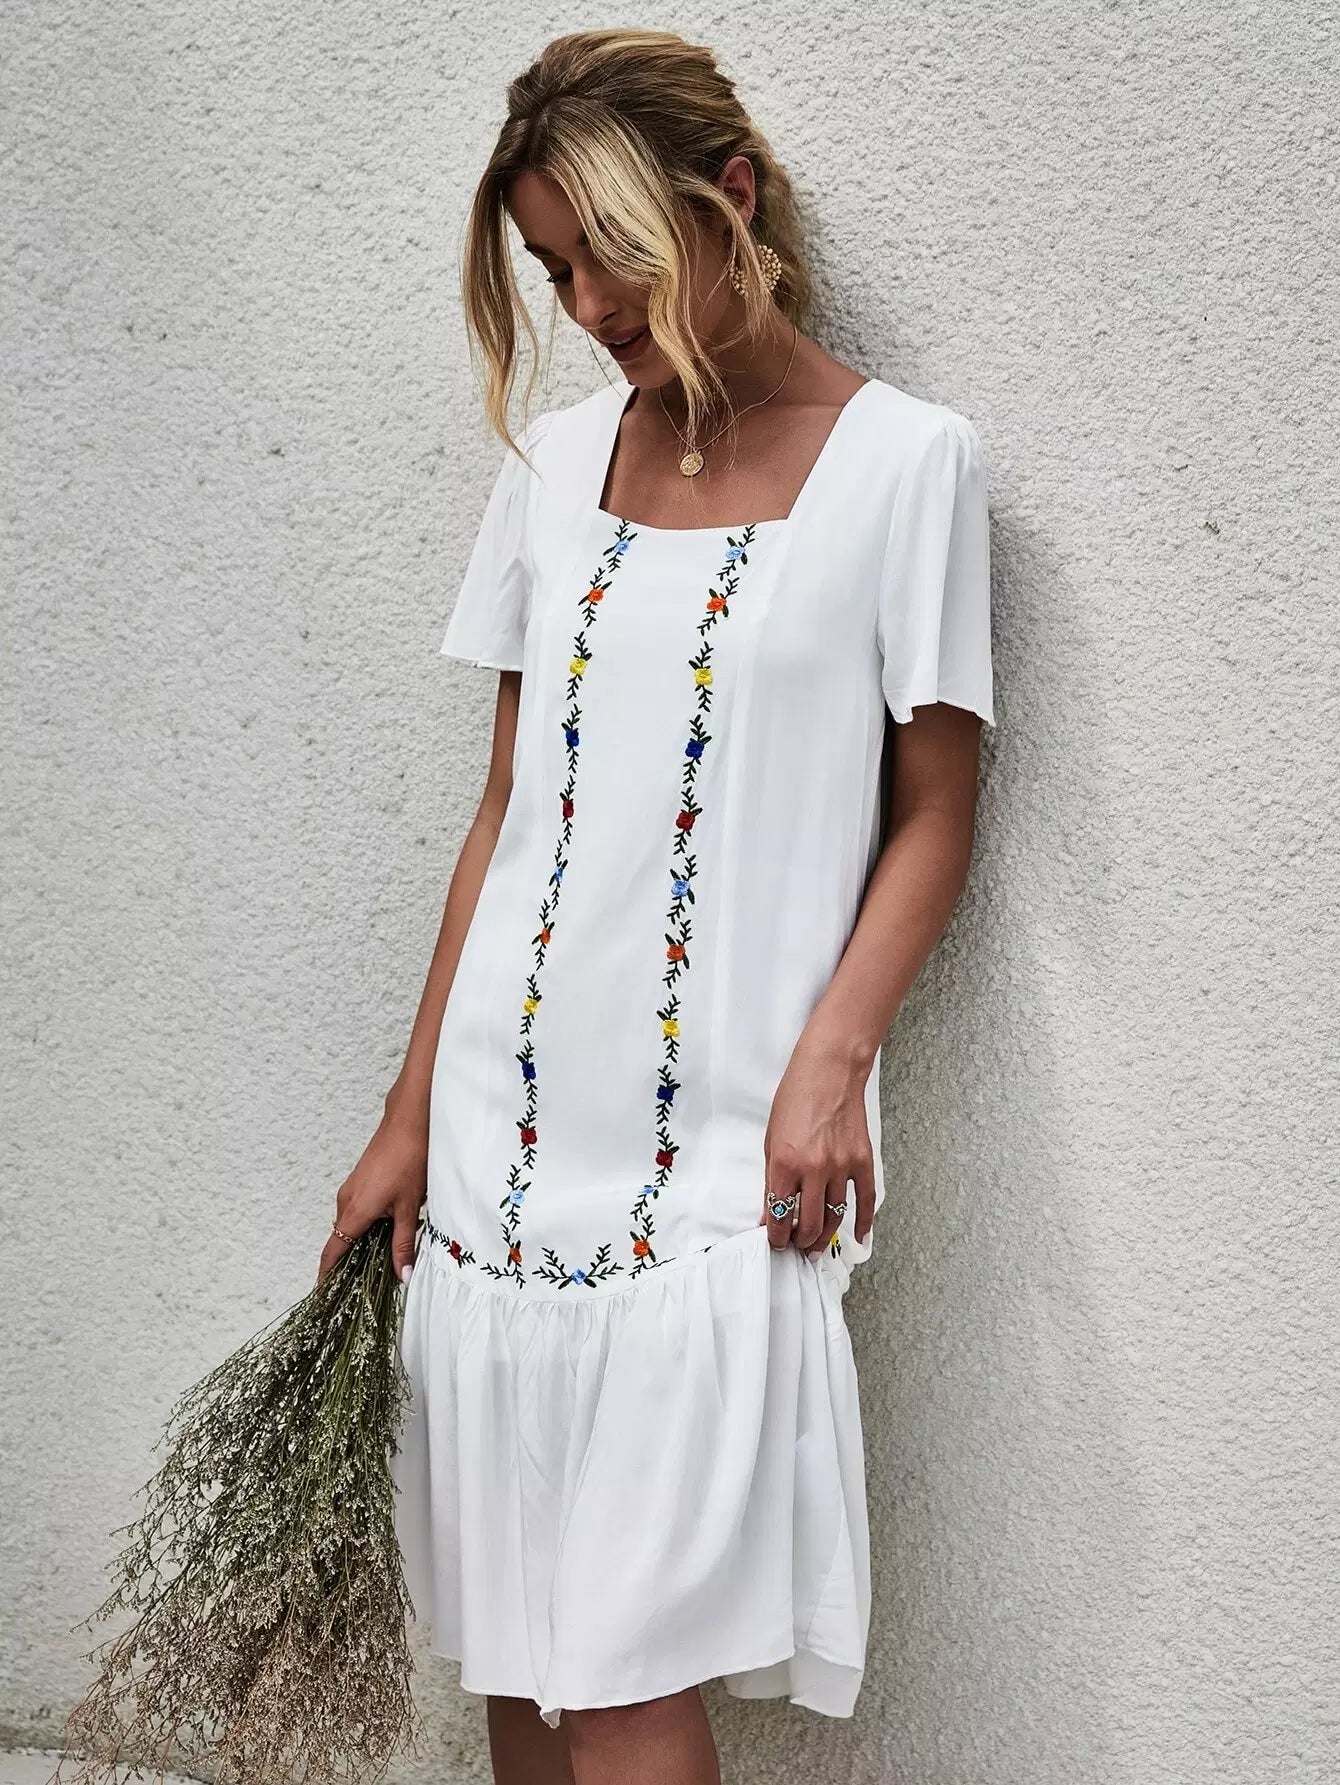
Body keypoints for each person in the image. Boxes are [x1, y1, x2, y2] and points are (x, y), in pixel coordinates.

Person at [317, 26, 994, 1785]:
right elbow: (505, 809)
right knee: (526, 1661)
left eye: (610, 250)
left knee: (621, 1666)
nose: (589, 305)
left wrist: (836, 1059)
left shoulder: (905, 466)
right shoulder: (555, 467)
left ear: (730, 197)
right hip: (502, 1145)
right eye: (555, 270)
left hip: (717, 1163)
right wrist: (407, 1118)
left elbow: (936, 811)